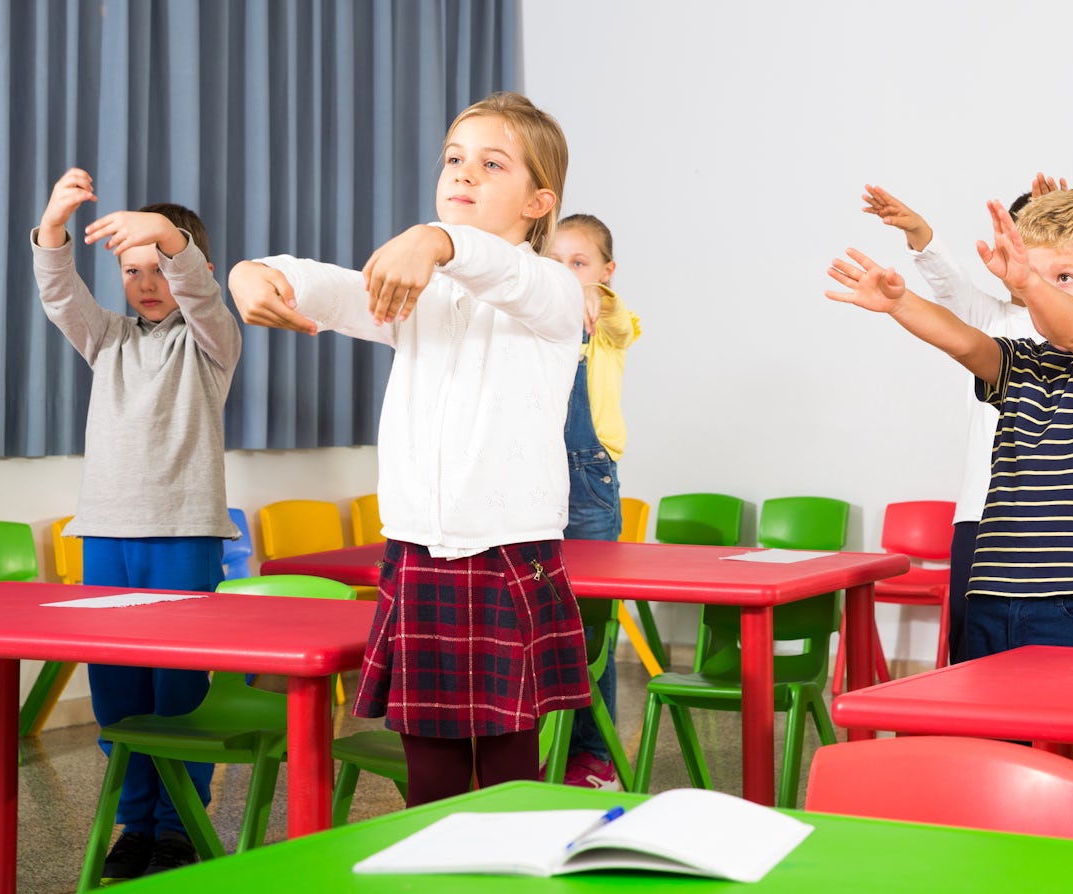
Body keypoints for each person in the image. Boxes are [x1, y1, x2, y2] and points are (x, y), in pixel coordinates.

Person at [230, 92, 590, 808]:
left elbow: (503, 272)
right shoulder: (421, 291)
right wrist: (252, 272)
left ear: (538, 202)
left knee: (509, 773)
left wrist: (435, 238)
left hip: (506, 549)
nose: (464, 174)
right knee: (428, 773)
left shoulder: (555, 290)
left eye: (492, 164)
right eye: (454, 159)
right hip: (418, 548)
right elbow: (327, 289)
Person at [826, 188, 1073, 822]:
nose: (1043, 290)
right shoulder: (1017, 364)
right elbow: (964, 341)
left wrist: (1028, 281)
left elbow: (1072, 327)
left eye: (1066, 275)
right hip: (991, 596)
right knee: (986, 758)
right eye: (1039, 272)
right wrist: (900, 304)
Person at [32, 170, 241, 880]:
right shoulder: (110, 341)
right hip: (108, 538)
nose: (147, 283)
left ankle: (180, 822)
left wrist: (167, 238)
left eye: (161, 266)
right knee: (119, 690)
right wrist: (55, 229)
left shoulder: (213, 343)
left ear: (191, 268)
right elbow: (61, 296)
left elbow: (202, 298)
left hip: (182, 534)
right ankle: (135, 821)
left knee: (175, 691)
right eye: (132, 270)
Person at [858, 176, 1059, 657]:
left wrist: (1069, 223)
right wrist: (920, 231)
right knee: (973, 646)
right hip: (981, 513)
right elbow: (949, 283)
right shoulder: (990, 319)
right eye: (1017, 245)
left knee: (1047, 649)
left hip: (1050, 522)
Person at [546, 212, 642, 790]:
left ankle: (593, 756)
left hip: (587, 481)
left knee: (587, 630)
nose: (565, 275)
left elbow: (616, 320)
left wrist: (589, 294)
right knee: (536, 623)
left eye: (578, 263)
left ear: (607, 272)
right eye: (553, 263)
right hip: (531, 476)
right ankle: (537, 747)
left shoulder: (611, 320)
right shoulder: (533, 325)